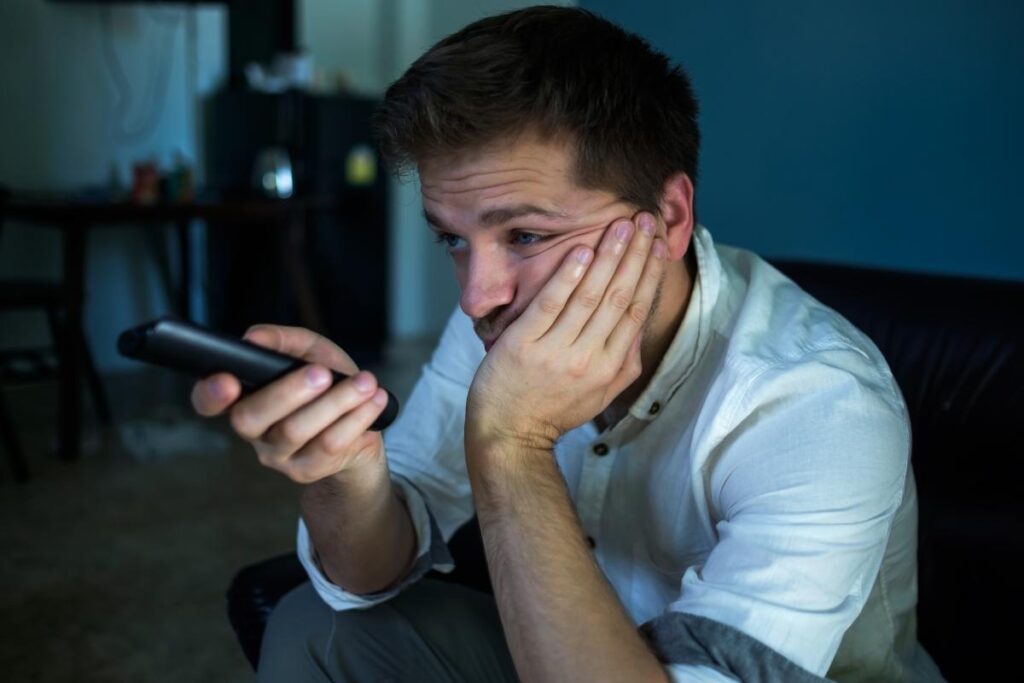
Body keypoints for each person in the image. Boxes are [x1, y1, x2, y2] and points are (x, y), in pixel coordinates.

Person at [193, 6, 943, 682]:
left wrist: (511, 442)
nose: (476, 296)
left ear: (670, 216)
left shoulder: (816, 405)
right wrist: (344, 473)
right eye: (453, 239)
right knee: (316, 626)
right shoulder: (502, 315)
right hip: (576, 647)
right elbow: (369, 569)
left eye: (525, 234)